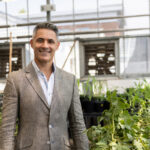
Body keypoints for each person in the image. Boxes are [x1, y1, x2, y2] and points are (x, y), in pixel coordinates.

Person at [0, 22, 89, 150]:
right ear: (32, 43)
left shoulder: (70, 80)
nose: (45, 45)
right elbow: (7, 128)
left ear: (57, 45)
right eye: (40, 40)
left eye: (50, 41)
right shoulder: (15, 80)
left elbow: (78, 125)